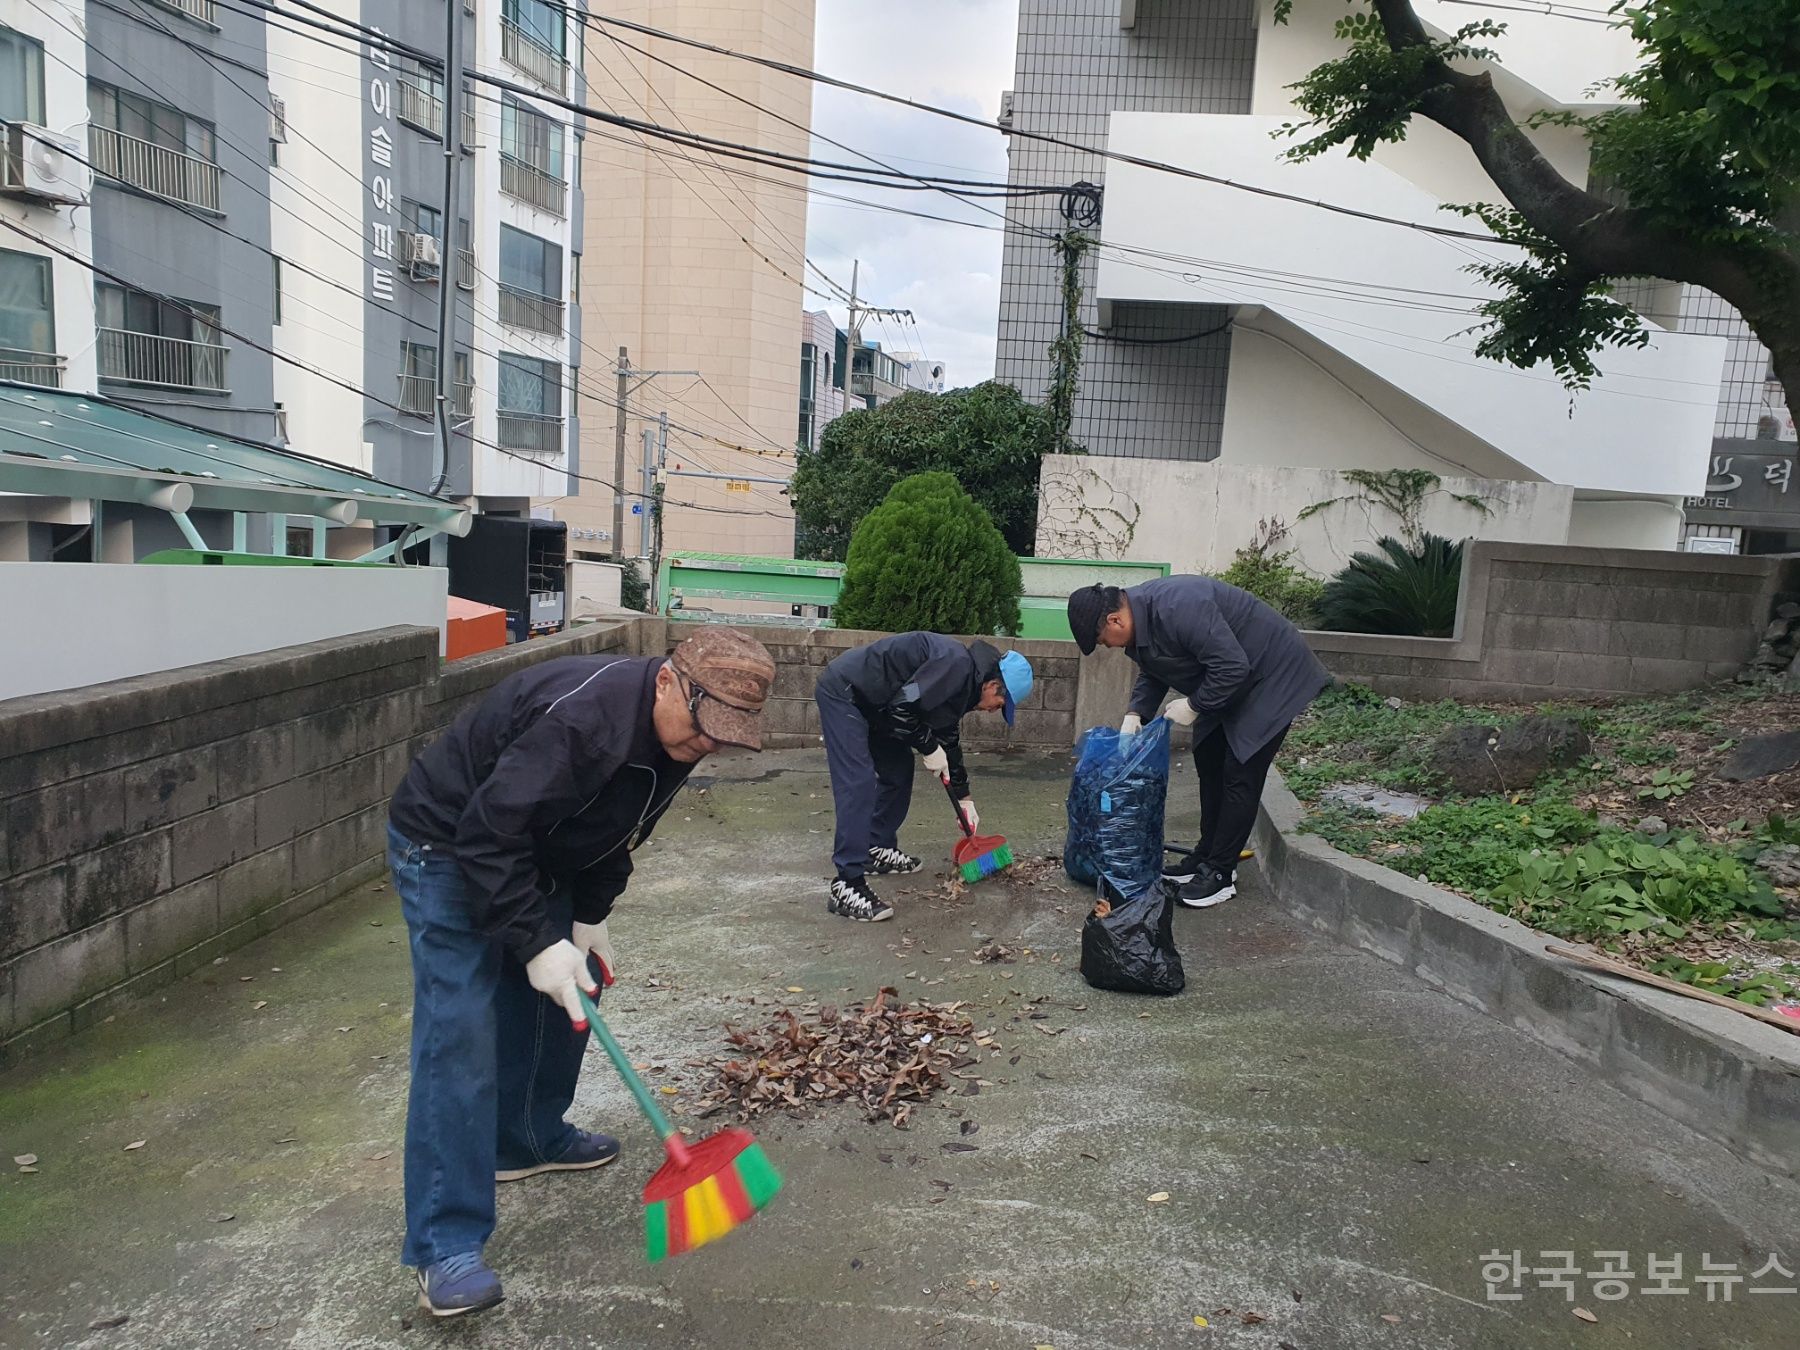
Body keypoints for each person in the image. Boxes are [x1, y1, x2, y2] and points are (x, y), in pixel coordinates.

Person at [385, 627, 776, 1317]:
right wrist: (535, 940)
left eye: (725, 733)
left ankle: (528, 1137)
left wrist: (587, 917)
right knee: (462, 1032)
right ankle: (443, 1246)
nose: (707, 744)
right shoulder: (580, 721)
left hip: (540, 850)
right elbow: (486, 835)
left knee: (574, 987)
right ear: (666, 681)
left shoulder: (681, 732)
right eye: (704, 723)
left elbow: (620, 826)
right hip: (448, 842)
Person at [1067, 577, 1329, 909]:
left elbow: (1234, 666)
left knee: (1239, 770)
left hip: (1273, 675)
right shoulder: (1140, 622)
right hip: (1230, 678)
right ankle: (1206, 855)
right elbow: (1155, 668)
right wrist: (1136, 713)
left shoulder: (1180, 607)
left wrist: (1194, 705)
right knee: (1208, 755)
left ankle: (1221, 873)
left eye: (1104, 641)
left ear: (1114, 620)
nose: (1110, 647)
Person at [813, 633, 1034, 922]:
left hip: (877, 704)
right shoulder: (954, 666)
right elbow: (902, 709)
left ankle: (875, 847)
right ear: (992, 685)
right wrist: (929, 747)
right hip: (846, 693)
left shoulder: (966, 686)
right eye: (1001, 703)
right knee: (858, 782)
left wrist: (964, 798)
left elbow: (949, 737)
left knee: (898, 770)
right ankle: (847, 883)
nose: (995, 711)